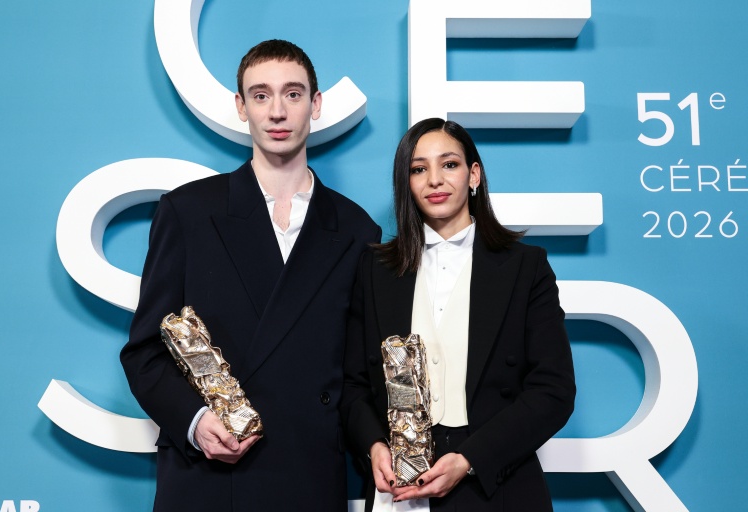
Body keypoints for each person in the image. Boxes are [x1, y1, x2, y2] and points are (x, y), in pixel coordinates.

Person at [121, 40, 380, 512]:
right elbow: (145, 351)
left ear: (316, 105)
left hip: (308, 475)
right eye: (261, 95)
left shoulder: (358, 229)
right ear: (241, 107)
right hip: (210, 477)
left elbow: (356, 374)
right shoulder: (188, 212)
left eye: (293, 94)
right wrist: (196, 421)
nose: (277, 111)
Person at [342, 118, 575, 511]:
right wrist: (374, 446)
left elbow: (554, 391)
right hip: (399, 490)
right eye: (419, 169)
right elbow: (353, 385)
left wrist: (471, 460)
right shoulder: (374, 270)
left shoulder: (525, 267)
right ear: (407, 184)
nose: (435, 179)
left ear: (474, 175)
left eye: (449, 164)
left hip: (495, 487)